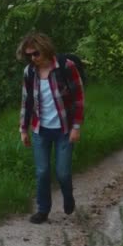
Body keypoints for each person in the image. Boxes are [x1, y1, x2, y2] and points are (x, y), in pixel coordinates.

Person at [16, 32, 84, 224]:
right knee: (42, 172)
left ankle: (68, 196)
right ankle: (43, 210)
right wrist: (23, 129)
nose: (32, 58)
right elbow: (26, 102)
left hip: (64, 129)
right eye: (29, 55)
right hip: (40, 130)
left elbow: (79, 98)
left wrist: (76, 127)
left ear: (45, 49)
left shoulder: (66, 67)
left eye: (35, 53)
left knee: (63, 172)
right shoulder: (29, 73)